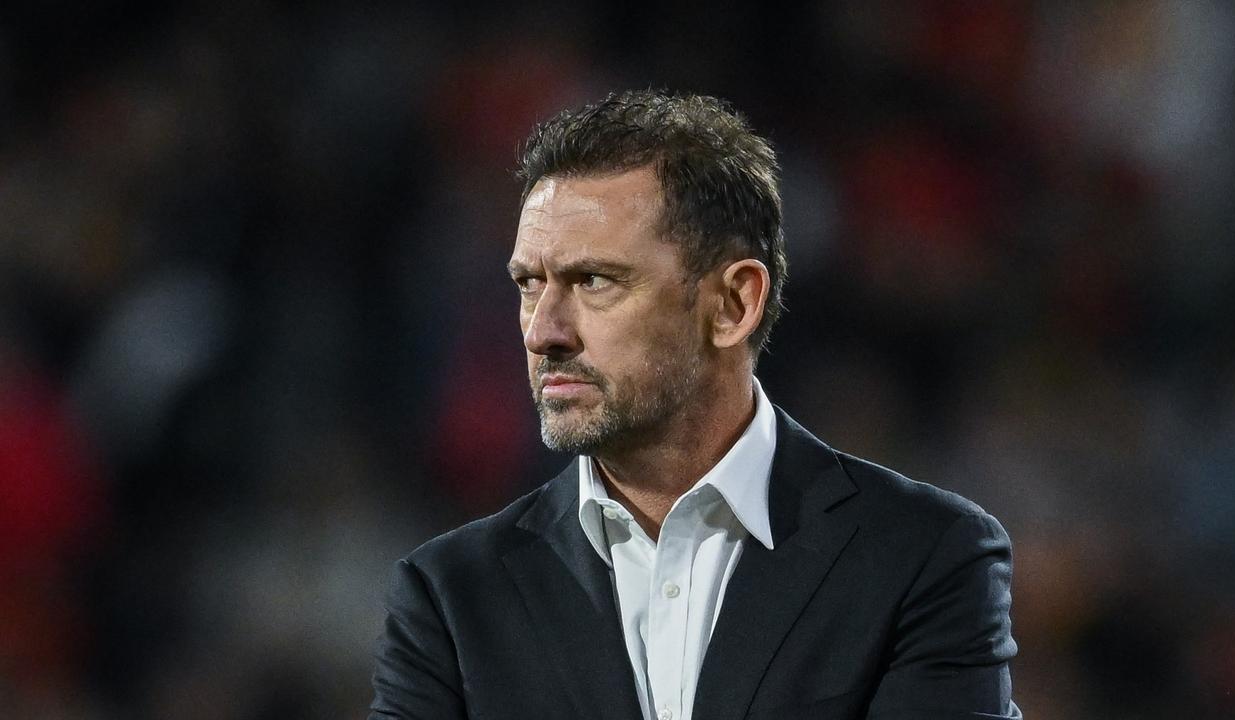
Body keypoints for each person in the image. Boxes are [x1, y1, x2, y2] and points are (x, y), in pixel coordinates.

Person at [369, 90, 1020, 720]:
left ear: (733, 304)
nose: (543, 330)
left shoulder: (924, 560)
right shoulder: (450, 598)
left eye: (594, 281)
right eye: (529, 284)